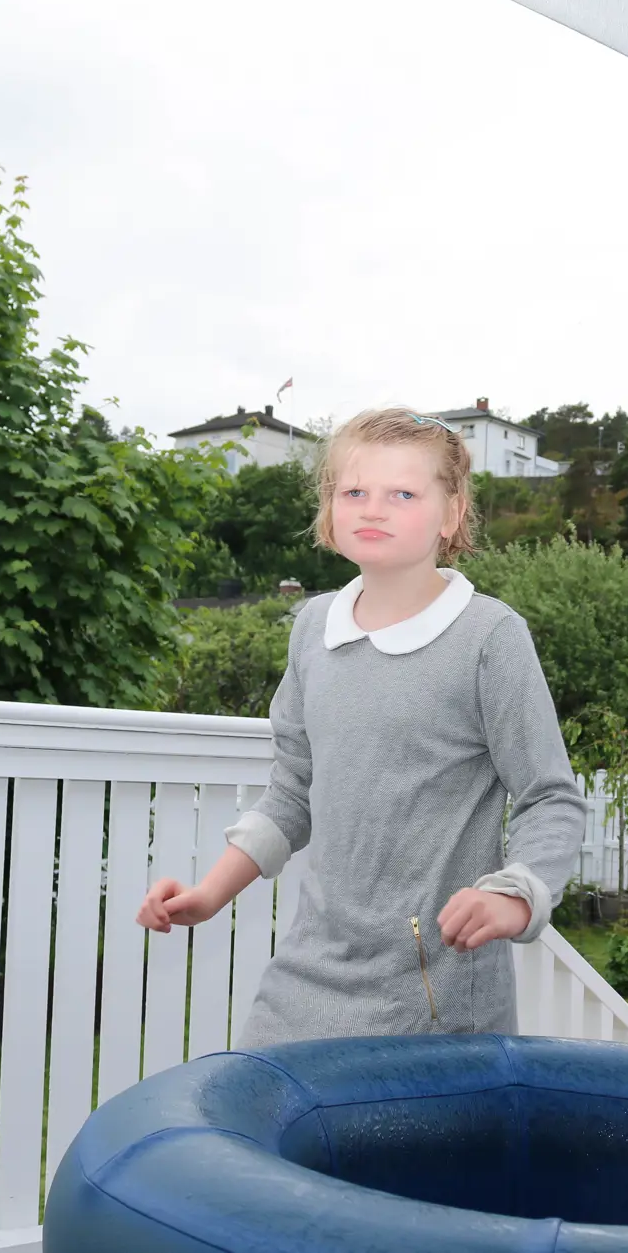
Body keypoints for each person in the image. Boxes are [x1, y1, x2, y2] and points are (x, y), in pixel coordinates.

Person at [136, 408, 584, 1045]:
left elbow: (550, 797)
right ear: (329, 509)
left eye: (403, 494)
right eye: (354, 492)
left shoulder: (490, 637)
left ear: (451, 514)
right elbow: (292, 793)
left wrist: (516, 894)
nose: (373, 509)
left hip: (436, 995)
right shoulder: (312, 628)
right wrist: (208, 895)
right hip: (304, 979)